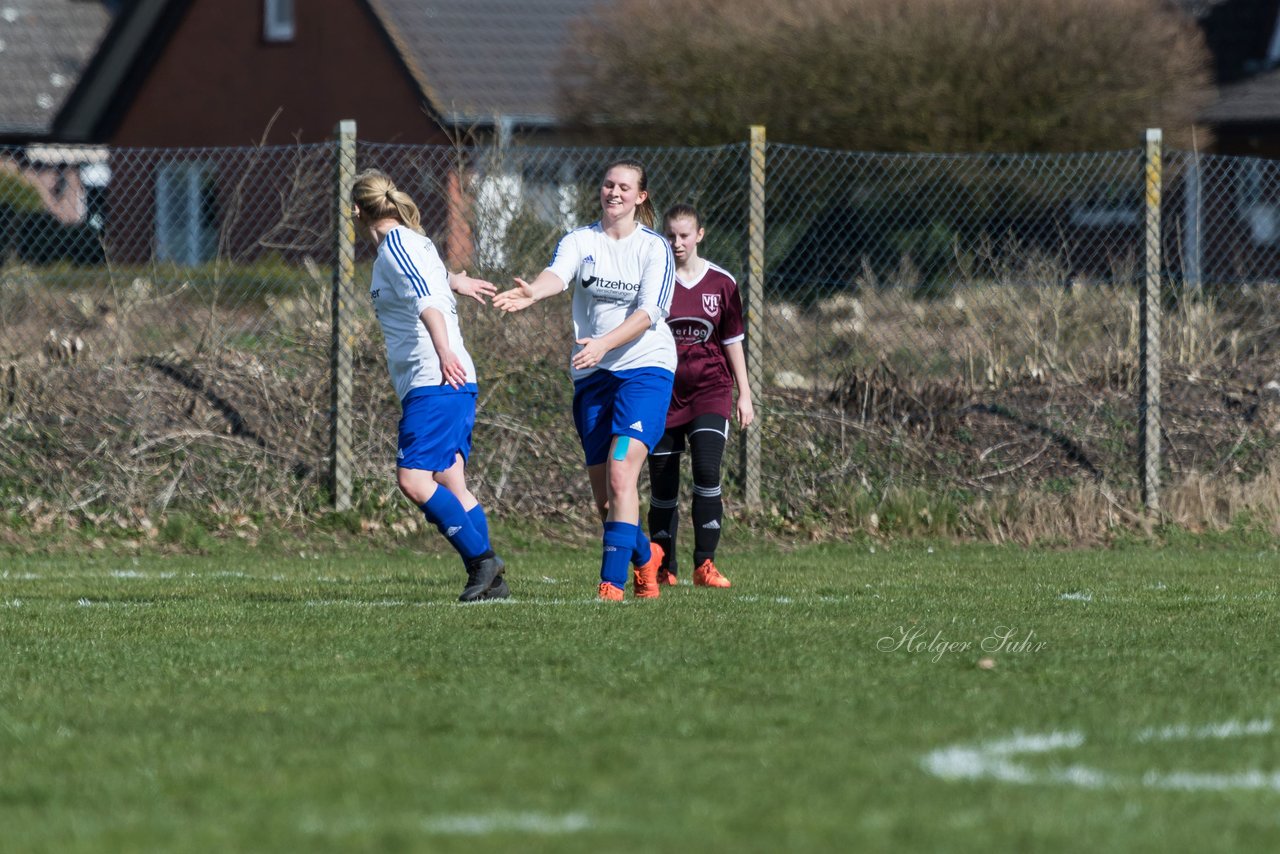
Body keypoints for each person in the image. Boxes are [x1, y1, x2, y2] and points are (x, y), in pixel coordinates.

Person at [493, 159, 675, 601]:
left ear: (641, 196)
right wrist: (534, 291)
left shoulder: (654, 248)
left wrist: (604, 344)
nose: (614, 193)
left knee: (621, 471)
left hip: (645, 368)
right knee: (608, 502)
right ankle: (646, 556)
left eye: (625, 187)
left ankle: (610, 586)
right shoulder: (581, 240)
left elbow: (648, 314)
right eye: (609, 185)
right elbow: (558, 274)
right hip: (593, 374)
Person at [352, 169, 508, 602]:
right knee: (450, 479)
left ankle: (482, 563)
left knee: (414, 479)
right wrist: (457, 281)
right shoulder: (412, 242)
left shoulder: (397, 246)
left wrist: (443, 351)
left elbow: (425, 299)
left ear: (357, 211)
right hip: (445, 378)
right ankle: (492, 581)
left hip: (435, 376)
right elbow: (433, 281)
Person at [647, 204, 754, 589]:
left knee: (707, 472)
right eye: (671, 236)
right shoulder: (654, 280)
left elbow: (732, 340)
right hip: (662, 392)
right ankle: (664, 566)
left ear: (699, 235)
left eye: (684, 236)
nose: (677, 243)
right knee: (663, 485)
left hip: (710, 389)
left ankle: (704, 564)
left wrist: (745, 393)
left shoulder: (722, 283)